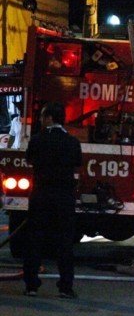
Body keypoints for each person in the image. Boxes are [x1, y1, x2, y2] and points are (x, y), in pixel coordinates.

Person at [23, 102, 82, 298]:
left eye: (42, 116)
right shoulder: (72, 142)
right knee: (64, 242)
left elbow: (29, 159)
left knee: (34, 240)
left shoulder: (37, 140)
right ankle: (65, 287)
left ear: (49, 118)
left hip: (41, 196)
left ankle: (31, 285)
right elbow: (77, 163)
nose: (40, 120)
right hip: (64, 198)